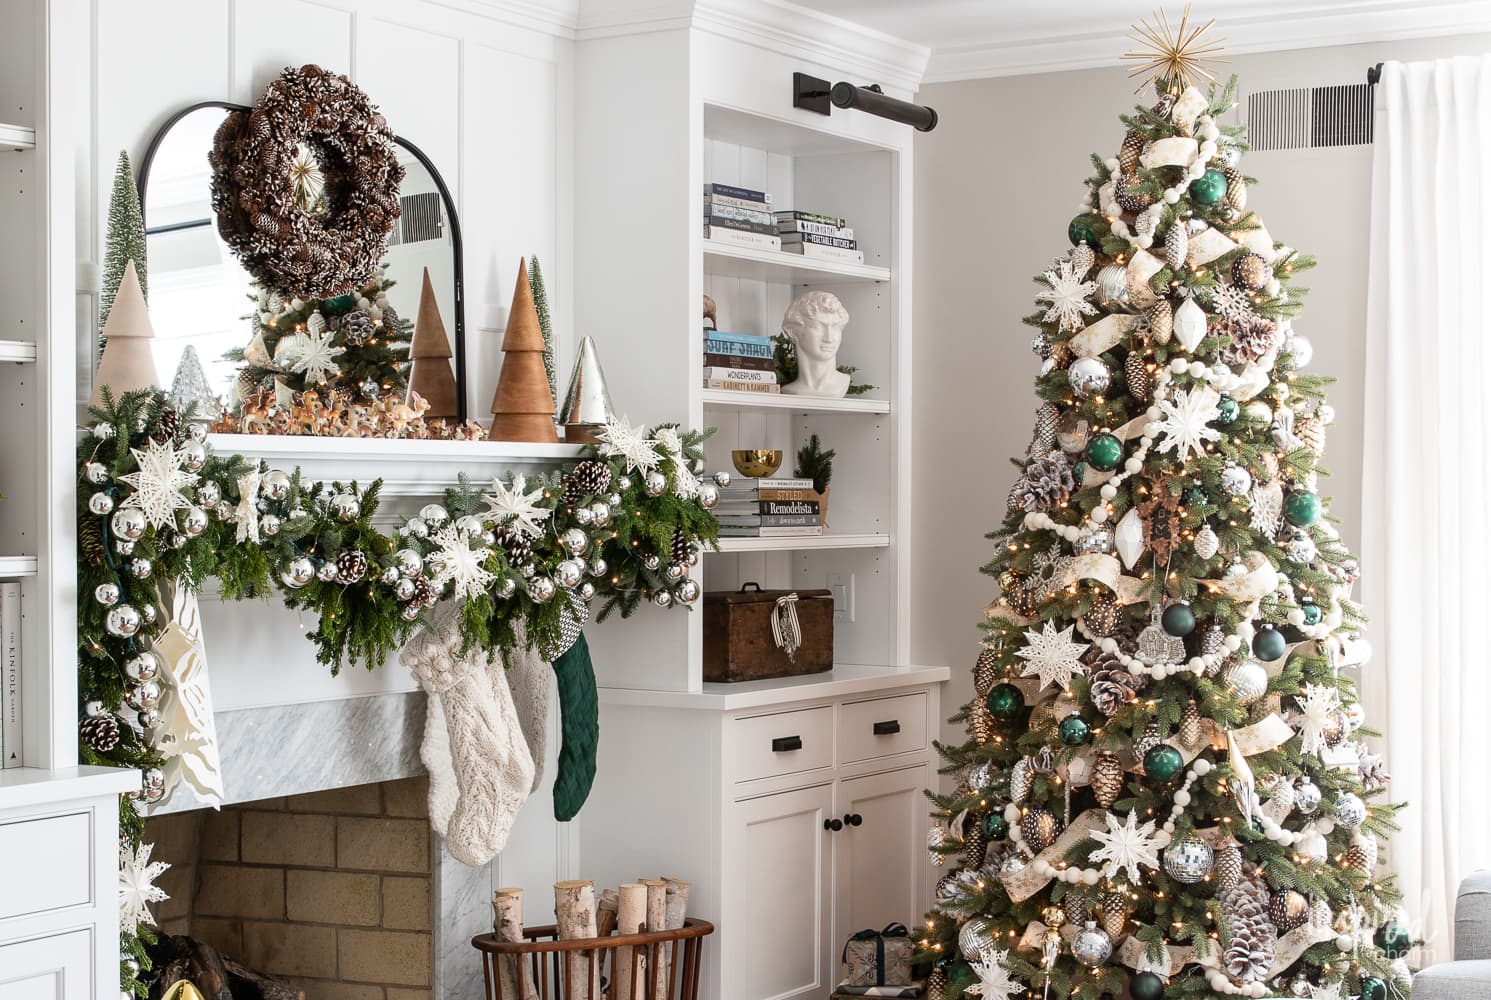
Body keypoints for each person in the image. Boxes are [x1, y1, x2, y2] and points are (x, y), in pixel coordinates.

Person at [780, 291, 849, 397]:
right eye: (818, 327)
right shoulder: (790, 390)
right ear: (793, 332)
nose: (829, 338)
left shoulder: (841, 384)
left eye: (835, 327)